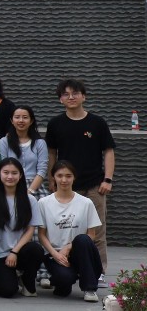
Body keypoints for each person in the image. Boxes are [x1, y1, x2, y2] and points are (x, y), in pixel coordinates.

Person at [44, 79, 113, 269]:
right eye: (65, 94)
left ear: (84, 96)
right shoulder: (55, 124)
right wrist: (51, 179)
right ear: (60, 99)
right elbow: (52, 153)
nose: (71, 97)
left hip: (94, 185)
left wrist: (108, 179)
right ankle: (69, 267)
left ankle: (99, 270)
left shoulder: (97, 123)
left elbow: (108, 151)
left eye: (75, 93)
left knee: (97, 230)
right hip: (66, 186)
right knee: (66, 229)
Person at [36, 161, 103, 302]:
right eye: (59, 175)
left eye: (68, 176)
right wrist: (55, 254)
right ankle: (61, 281)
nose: (64, 180)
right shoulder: (44, 203)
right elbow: (41, 235)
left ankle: (90, 289)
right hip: (56, 254)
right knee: (63, 283)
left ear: (74, 178)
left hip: (80, 252)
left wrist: (68, 247)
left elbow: (91, 234)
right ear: (53, 177)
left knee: (83, 239)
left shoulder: (86, 203)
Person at [0, 157, 42, 299]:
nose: (10, 176)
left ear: (20, 175)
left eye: (14, 173)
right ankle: (4, 277)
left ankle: (27, 281)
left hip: (20, 250)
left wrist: (14, 252)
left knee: (35, 249)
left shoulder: (30, 200)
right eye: (6, 172)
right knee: (7, 291)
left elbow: (30, 230)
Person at [0, 105, 48, 196]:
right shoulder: (4, 142)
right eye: (17, 117)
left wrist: (30, 191)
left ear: (31, 121)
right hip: (11, 184)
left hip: (35, 186)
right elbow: (3, 167)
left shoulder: (40, 143)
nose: (21, 120)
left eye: (25, 117)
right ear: (12, 120)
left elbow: (42, 170)